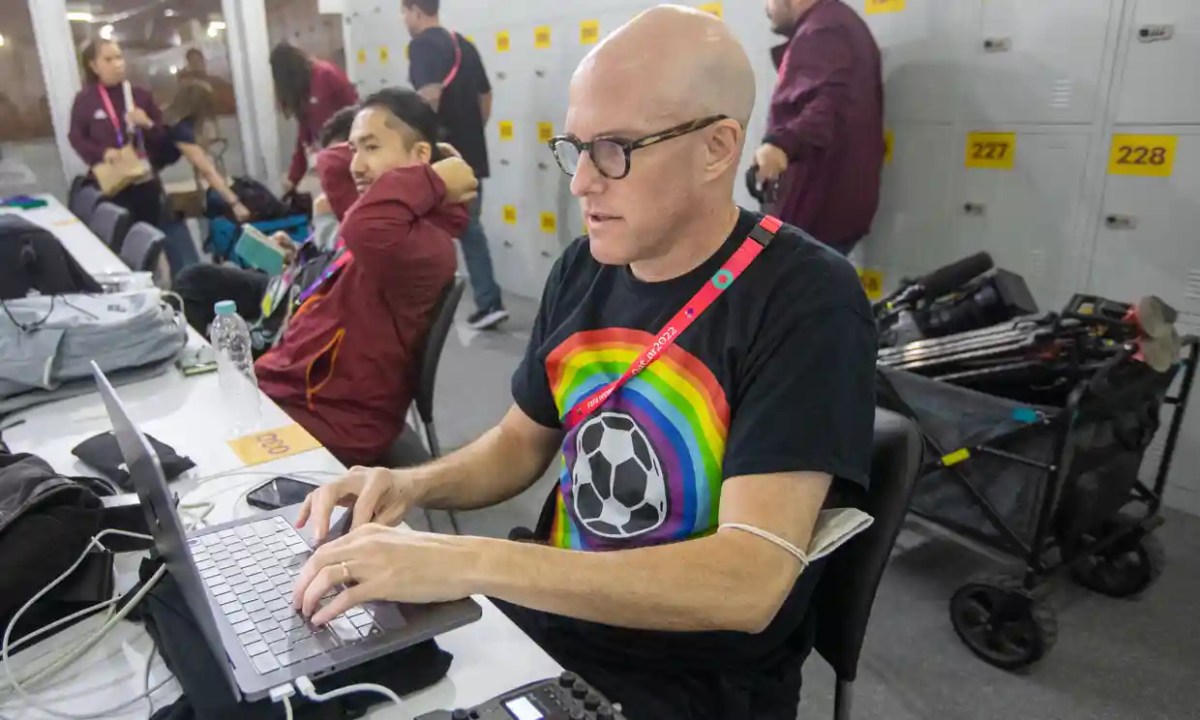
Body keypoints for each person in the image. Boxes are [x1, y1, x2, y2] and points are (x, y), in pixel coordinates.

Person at [290, 7, 876, 720]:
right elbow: (518, 441)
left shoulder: (804, 298)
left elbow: (747, 581)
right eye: (576, 149)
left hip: (681, 679)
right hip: (543, 620)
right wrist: (408, 485)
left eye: (616, 150)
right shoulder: (586, 266)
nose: (581, 185)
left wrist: (461, 561)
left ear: (719, 148)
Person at [255, 87, 476, 466]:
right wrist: (427, 168)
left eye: (371, 148)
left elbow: (363, 224)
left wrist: (432, 179)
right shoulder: (391, 217)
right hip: (292, 394)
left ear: (422, 157)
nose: (355, 164)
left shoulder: (422, 243)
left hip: (328, 421)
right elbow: (330, 163)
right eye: (354, 149)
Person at [173, 106, 358, 337]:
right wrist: (297, 253)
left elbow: (345, 270)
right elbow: (324, 257)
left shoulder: (374, 215)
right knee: (194, 279)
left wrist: (325, 218)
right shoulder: (335, 202)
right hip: (291, 282)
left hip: (306, 303)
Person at [403, 0, 508, 330]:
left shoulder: (420, 46)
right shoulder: (462, 44)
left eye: (404, 12)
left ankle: (433, 308)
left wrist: (424, 147)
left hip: (441, 158)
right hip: (471, 154)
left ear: (414, 11)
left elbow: (428, 97)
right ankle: (488, 301)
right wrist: (471, 134)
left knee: (431, 231)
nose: (403, 20)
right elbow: (486, 96)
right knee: (469, 228)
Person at [752, 0, 884, 256]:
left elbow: (830, 106)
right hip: (823, 210)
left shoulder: (823, 30)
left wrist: (780, 144)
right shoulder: (836, 23)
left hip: (811, 210)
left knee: (777, 286)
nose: (766, 8)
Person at [68, 39, 170, 229]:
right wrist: (102, 153)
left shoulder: (140, 96)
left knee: (148, 237)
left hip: (143, 181)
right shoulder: (86, 100)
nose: (117, 64)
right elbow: (76, 137)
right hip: (111, 182)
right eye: (108, 59)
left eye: (119, 57)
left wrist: (146, 123)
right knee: (118, 238)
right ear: (94, 66)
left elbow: (162, 138)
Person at [155, 81, 251, 276]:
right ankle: (190, 280)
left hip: (145, 184)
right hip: (145, 190)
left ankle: (186, 278)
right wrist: (234, 201)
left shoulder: (168, 118)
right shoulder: (180, 129)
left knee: (172, 236)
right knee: (180, 247)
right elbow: (207, 170)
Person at [270, 43, 359, 197]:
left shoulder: (326, 75)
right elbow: (304, 136)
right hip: (329, 158)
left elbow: (356, 110)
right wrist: (293, 178)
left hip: (349, 150)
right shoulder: (302, 90)